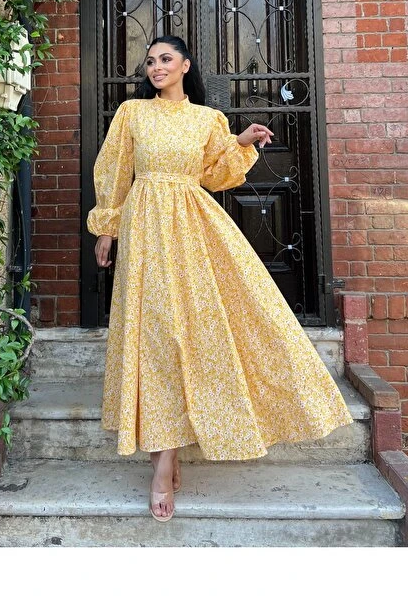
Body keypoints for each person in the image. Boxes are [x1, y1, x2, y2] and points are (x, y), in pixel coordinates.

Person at [87, 35, 354, 522]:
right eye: (150, 61)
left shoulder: (208, 120)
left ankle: (165, 459)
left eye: (166, 59)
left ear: (186, 65)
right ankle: (163, 459)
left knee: (192, 332)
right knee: (155, 336)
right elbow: (115, 170)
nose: (156, 67)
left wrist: (242, 143)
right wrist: (107, 227)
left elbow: (215, 176)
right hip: (145, 229)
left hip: (193, 228)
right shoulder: (132, 113)